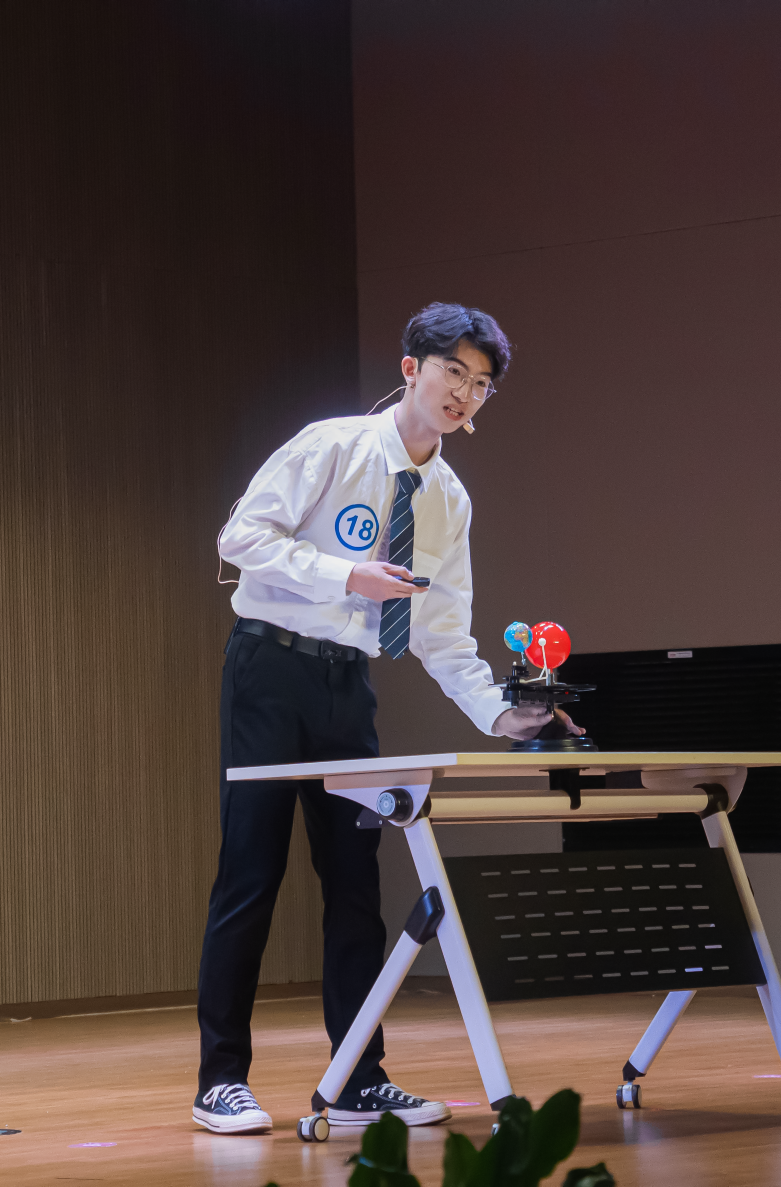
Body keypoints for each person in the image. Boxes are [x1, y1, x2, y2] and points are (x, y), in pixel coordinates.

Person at [192, 302, 579, 1136]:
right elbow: (239, 538)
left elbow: (443, 632)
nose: (463, 394)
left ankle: (357, 1079)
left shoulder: (449, 499)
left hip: (347, 685)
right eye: (452, 373)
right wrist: (344, 575)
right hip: (268, 667)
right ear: (411, 369)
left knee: (357, 886)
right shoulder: (331, 445)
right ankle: (220, 1079)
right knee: (250, 873)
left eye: (480, 385)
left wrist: (501, 715)